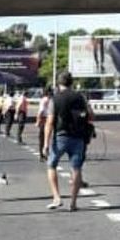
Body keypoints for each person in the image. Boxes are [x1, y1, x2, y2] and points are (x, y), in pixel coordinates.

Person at [44, 70, 91, 211]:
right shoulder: (80, 97)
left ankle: (56, 197)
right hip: (78, 138)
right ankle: (73, 203)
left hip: (61, 137)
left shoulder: (55, 99)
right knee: (76, 168)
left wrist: (46, 143)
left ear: (58, 83)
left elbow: (49, 122)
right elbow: (90, 115)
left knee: (51, 165)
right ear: (72, 83)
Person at [36, 86, 53, 160]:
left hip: (44, 119)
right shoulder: (52, 99)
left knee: (42, 137)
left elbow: (41, 111)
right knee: (48, 137)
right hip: (51, 118)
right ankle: (46, 153)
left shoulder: (44, 100)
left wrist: (38, 120)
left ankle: (42, 154)